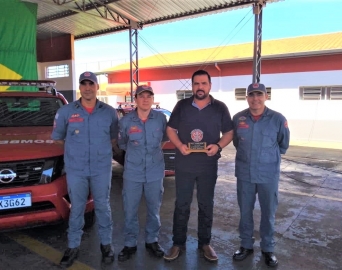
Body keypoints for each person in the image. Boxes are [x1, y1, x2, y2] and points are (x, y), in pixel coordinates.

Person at [164, 69, 234, 262]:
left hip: (208, 165)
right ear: (192, 86)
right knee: (182, 204)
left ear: (210, 86)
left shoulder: (220, 107)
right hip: (185, 164)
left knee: (206, 205)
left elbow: (229, 132)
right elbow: (170, 129)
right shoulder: (182, 106)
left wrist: (218, 146)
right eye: (196, 84)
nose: (200, 87)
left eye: (204, 83)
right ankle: (178, 243)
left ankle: (205, 243)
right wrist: (179, 146)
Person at [51, 71, 118, 267]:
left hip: (101, 168)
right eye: (84, 84)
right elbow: (58, 138)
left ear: (97, 87)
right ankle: (73, 246)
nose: (88, 88)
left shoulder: (109, 112)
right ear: (80, 87)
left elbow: (113, 139)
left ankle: (107, 245)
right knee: (77, 208)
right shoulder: (66, 111)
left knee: (103, 206)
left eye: (91, 84)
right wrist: (75, 152)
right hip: (76, 169)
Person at [232, 83, 290, 267]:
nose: (255, 98)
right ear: (247, 97)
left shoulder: (278, 119)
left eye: (259, 94)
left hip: (268, 175)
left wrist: (267, 158)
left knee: (268, 213)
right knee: (245, 211)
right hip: (245, 174)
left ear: (266, 96)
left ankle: (268, 249)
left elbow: (283, 145)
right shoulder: (238, 118)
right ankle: (246, 245)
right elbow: (236, 143)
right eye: (251, 95)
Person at [117, 85, 167, 262]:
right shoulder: (125, 122)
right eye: (141, 96)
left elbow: (164, 140)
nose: (145, 99)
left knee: (154, 209)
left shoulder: (161, 119)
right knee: (130, 210)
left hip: (155, 171)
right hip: (133, 173)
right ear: (135, 99)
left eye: (149, 96)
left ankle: (152, 240)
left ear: (153, 99)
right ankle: (130, 243)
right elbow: (122, 144)